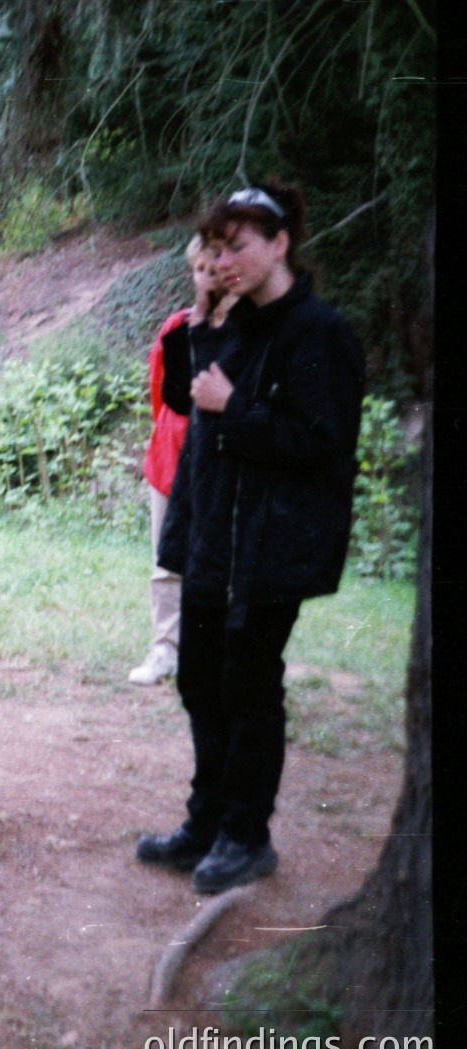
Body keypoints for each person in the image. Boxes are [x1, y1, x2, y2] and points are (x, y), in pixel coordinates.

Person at [136, 183, 364, 896]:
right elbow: (181, 397)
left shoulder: (317, 333)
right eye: (216, 247)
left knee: (247, 686)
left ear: (279, 243)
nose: (226, 259)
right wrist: (201, 319)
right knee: (199, 679)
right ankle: (204, 823)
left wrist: (233, 408)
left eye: (239, 246)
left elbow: (321, 444)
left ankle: (245, 834)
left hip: (271, 548)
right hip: (212, 538)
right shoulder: (232, 324)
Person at [128, 235, 235, 685]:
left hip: (226, 469)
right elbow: (161, 397)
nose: (208, 278)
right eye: (200, 270)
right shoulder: (175, 329)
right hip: (170, 464)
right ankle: (165, 650)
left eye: (217, 270)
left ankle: (217, 655)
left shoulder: (249, 334)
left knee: (221, 564)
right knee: (166, 564)